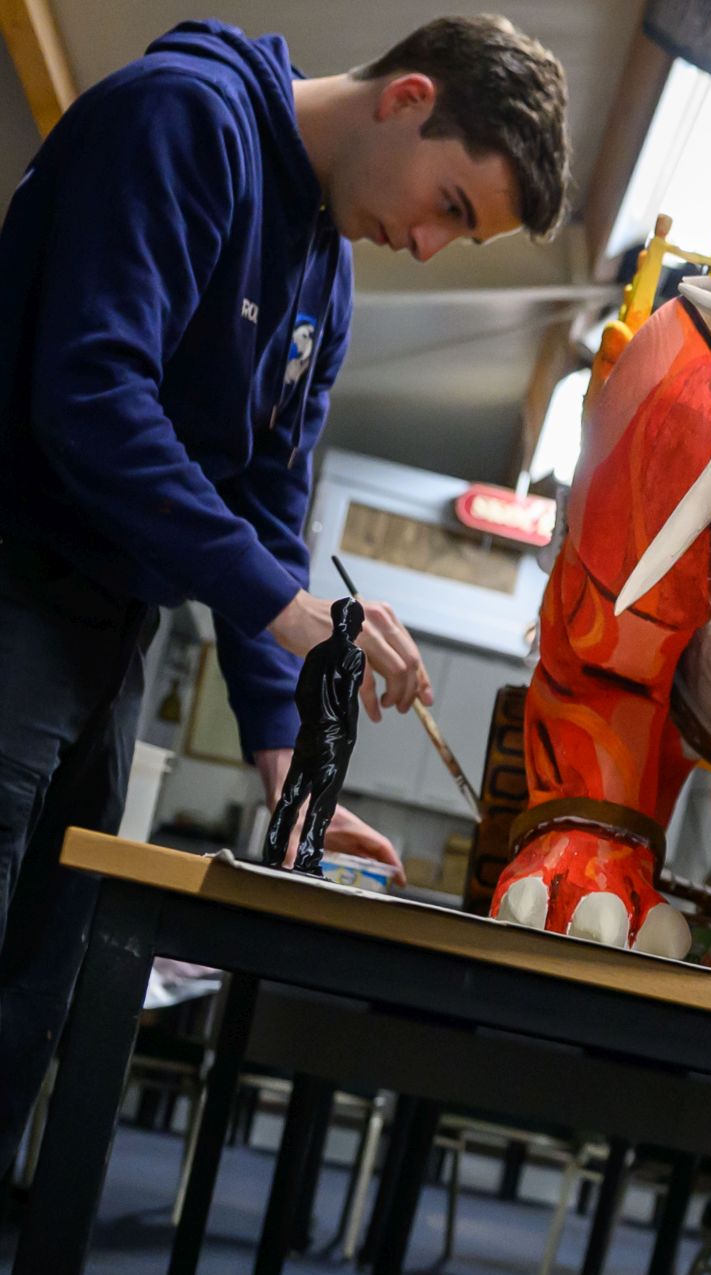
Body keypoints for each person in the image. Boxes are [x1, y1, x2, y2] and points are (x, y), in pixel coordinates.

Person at [0, 15, 570, 1172]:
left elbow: (267, 506)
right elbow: (95, 399)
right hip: (14, 581)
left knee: (28, 1004)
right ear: (408, 97)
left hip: (111, 637)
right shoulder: (184, 121)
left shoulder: (327, 272)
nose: (427, 247)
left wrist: (285, 755)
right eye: (449, 205)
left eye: (458, 235)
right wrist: (290, 608)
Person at [262, 596, 368, 875]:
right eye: (360, 622)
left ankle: (272, 854)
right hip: (333, 738)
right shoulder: (355, 655)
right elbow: (349, 699)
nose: (361, 627)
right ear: (351, 622)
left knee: (290, 798)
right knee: (321, 804)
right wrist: (349, 734)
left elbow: (300, 694)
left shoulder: (316, 653)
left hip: (308, 733)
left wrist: (310, 721)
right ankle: (307, 861)